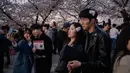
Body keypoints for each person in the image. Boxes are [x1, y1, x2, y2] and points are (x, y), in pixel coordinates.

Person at [67, 8, 111, 73]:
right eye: (80, 20)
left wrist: (81, 64)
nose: (81, 22)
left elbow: (104, 63)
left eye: (84, 20)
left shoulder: (102, 36)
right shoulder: (86, 33)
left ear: (92, 20)